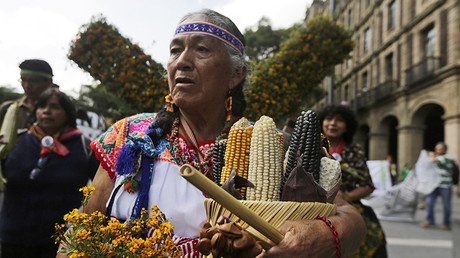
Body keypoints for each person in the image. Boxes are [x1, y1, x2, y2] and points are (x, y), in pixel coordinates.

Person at [74, 9, 366, 257]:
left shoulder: (273, 144)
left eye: (201, 49)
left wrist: (319, 234)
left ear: (236, 75)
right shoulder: (130, 135)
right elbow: (81, 231)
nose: (182, 61)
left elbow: (350, 218)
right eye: (175, 50)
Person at [0, 88, 99, 257]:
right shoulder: (16, 141)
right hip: (12, 239)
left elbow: (101, 189)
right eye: (42, 106)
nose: (46, 111)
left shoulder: (85, 147)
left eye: (55, 107)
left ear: (68, 113)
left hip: (59, 244)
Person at [318, 104, 387, 257]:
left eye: (339, 120)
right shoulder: (311, 147)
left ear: (347, 127)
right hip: (315, 207)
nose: (333, 123)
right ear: (321, 122)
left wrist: (345, 198)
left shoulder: (355, 151)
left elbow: (368, 186)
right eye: (329, 119)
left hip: (350, 208)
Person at [0, 59, 54, 146]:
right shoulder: (7, 108)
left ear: (49, 82)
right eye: (23, 80)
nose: (27, 86)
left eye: (33, 81)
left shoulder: (58, 112)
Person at [420, 142, 455, 230]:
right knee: (429, 202)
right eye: (436, 149)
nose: (437, 150)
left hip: (445, 185)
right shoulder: (437, 157)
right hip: (435, 184)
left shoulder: (447, 157)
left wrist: (431, 155)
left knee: (446, 205)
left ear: (444, 150)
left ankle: (446, 223)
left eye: (439, 149)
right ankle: (429, 220)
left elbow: (433, 160)